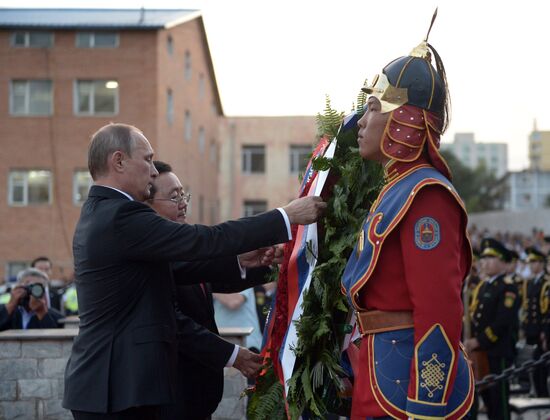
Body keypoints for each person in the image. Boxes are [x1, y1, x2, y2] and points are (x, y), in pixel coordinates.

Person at [62, 123, 325, 420]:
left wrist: (242, 260)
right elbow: (202, 241)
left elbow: (181, 271)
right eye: (147, 159)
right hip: (117, 390)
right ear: (119, 161)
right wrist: (285, 216)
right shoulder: (120, 215)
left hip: (120, 387)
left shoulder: (105, 212)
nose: (152, 170)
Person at [340, 19, 474, 419]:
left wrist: (426, 407)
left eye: (373, 108)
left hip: (403, 390)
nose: (361, 122)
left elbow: (438, 310)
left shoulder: (426, 196)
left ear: (407, 119)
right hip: (380, 371)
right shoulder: (397, 188)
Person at [147, 160, 278, 419]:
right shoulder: (153, 256)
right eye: (174, 197)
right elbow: (174, 322)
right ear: (147, 206)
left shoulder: (183, 252)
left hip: (197, 398)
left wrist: (274, 262)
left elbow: (221, 276)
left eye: (183, 194)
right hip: (170, 395)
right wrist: (233, 355)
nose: (183, 202)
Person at [465, 238, 519, 420]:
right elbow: (475, 317)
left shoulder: (507, 287)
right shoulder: (483, 286)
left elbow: (502, 322)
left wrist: (478, 340)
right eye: (484, 258)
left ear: (503, 262)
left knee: (499, 405)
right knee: (487, 401)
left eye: (491, 258)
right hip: (481, 354)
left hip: (497, 352)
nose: (485, 262)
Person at [522, 247, 550, 397]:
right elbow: (528, 307)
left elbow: (544, 311)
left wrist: (544, 333)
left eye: (534, 262)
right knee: (535, 366)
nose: (531, 265)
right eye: (530, 262)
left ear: (541, 263)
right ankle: (538, 393)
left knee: (542, 368)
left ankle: (543, 395)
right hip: (532, 330)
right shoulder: (530, 283)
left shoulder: (545, 283)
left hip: (541, 331)